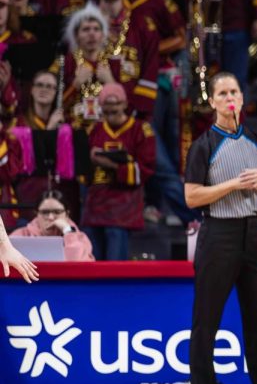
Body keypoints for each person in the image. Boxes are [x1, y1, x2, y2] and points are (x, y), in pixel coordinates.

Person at [183, 72, 257, 384]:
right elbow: (191, 196)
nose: (229, 97)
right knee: (207, 315)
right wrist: (232, 185)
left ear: (242, 99)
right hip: (217, 230)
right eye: (222, 93)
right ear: (213, 102)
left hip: (252, 231)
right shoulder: (203, 145)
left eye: (234, 91)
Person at [81, 83, 156, 261]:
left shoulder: (141, 130)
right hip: (95, 206)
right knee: (90, 261)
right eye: (106, 113)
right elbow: (83, 170)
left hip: (123, 208)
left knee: (115, 260)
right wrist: (90, 162)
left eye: (114, 112)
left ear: (124, 105)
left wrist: (111, 165)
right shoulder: (95, 129)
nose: (110, 117)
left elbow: (147, 170)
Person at [9, 191, 93, 261]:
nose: (50, 217)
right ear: (36, 214)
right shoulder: (20, 235)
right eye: (45, 212)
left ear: (67, 214)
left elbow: (75, 265)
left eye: (57, 212)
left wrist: (69, 232)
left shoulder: (81, 238)